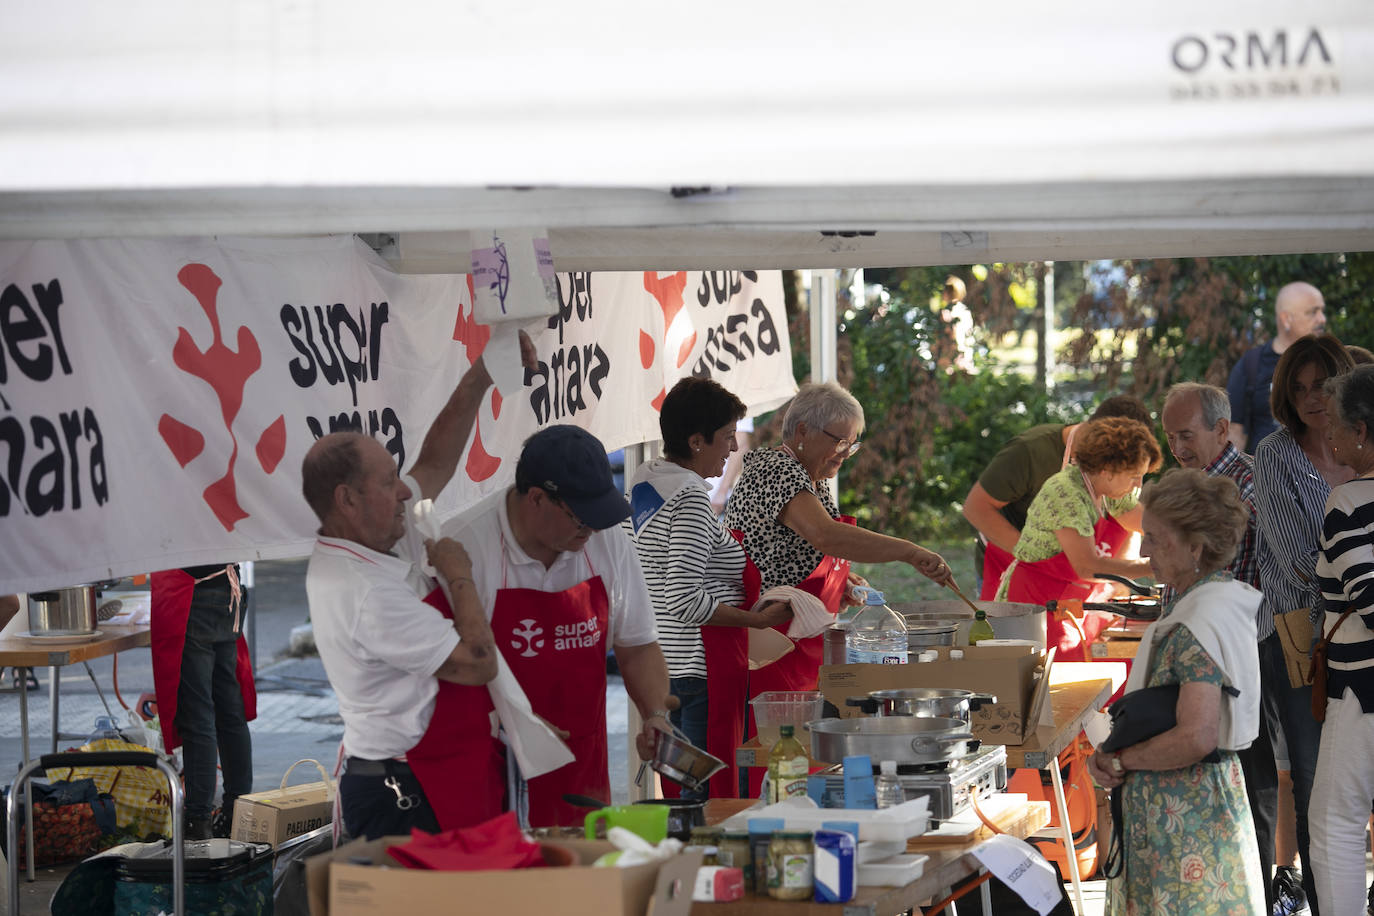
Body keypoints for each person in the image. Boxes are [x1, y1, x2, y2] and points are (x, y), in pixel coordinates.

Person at [304, 337, 527, 840]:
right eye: (388, 483)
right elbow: (477, 661)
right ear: (347, 500)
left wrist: (480, 376)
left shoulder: (374, 538)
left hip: (442, 770)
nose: (406, 491)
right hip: (403, 790)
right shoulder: (363, 590)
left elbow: (434, 465)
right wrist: (458, 574)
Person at [445, 424, 673, 828]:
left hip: (579, 763)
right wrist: (508, 719)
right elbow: (441, 673)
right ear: (536, 498)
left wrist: (655, 713)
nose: (591, 530)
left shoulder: (606, 539)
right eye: (579, 518)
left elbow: (637, 644)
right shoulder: (465, 546)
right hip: (489, 760)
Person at [1087, 468, 1265, 915]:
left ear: (1195, 547)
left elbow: (1196, 736)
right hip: (1198, 806)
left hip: (1184, 819)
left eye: (1155, 538)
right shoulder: (1214, 600)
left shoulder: (1198, 622)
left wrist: (1120, 760)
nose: (1143, 550)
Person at [725, 381, 954, 700]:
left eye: (853, 445)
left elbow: (801, 553)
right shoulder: (776, 470)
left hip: (795, 641)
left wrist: (840, 583)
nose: (847, 454)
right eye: (841, 442)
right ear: (803, 431)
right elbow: (826, 535)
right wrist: (909, 552)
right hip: (768, 641)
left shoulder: (810, 478)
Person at [627, 378, 790, 799]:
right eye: (726, 437)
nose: (734, 448)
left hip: (668, 665)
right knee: (706, 800)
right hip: (700, 670)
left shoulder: (648, 479)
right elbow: (684, 597)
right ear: (697, 441)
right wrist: (756, 619)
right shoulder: (691, 498)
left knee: (682, 791)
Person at [1159, 381, 1277, 905]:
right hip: (1195, 654)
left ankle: (1256, 893)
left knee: (1249, 784)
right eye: (1169, 437)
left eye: (1186, 435)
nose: (1176, 447)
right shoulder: (1186, 483)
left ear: (1221, 429)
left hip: (1236, 659)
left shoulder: (1245, 486)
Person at [1252, 332, 1356, 916]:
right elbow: (1294, 555)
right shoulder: (1275, 454)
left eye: (1320, 385)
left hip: (1360, 631)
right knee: (1314, 776)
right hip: (1303, 638)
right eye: (1298, 388)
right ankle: (1323, 903)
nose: (1311, 398)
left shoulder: (1361, 444)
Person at [963, 396, 1153, 599]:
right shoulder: (1030, 452)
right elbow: (976, 508)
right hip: (1009, 563)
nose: (1136, 483)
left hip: (1072, 578)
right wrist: (1040, 561)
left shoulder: (1118, 471)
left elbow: (1132, 519)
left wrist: (1180, 537)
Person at [1310, 364, 1374, 915]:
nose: (1326, 437)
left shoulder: (1347, 503)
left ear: (1360, 430)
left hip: (1361, 692)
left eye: (1332, 425)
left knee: (1335, 827)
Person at [995, 417, 1161, 608]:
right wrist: (1153, 566)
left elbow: (1140, 521)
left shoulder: (1110, 489)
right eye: (1134, 477)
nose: (1138, 485)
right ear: (1107, 471)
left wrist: (1180, 538)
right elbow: (1087, 567)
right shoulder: (1066, 494)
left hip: (1068, 599)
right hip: (1032, 600)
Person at [150, 563, 255, 839]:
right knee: (229, 711)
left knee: (199, 717)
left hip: (191, 589)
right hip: (226, 588)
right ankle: (237, 812)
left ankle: (198, 822)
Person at [1228, 281, 1327, 453]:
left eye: (1322, 311)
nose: (1322, 319)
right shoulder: (1251, 364)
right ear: (1285, 319)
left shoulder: (1331, 361)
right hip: (1266, 475)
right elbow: (1235, 432)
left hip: (1325, 477)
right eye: (1313, 312)